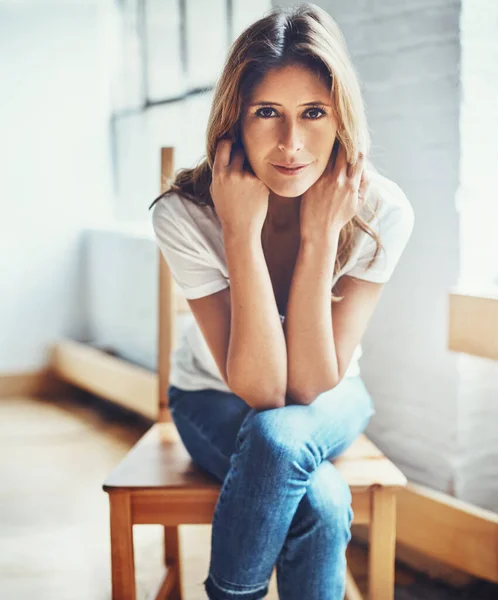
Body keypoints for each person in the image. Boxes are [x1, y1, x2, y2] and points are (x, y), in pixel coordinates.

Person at [149, 3, 414, 599]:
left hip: (334, 393)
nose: (292, 143)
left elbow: (309, 387)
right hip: (211, 399)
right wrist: (239, 231)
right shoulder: (185, 214)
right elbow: (263, 391)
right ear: (234, 121)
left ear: (341, 117)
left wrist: (321, 235)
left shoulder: (382, 212)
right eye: (266, 112)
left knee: (280, 439)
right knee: (317, 498)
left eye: (314, 113)